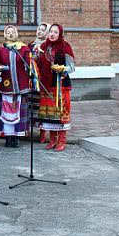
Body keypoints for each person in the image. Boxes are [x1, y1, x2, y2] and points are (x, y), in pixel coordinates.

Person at [36, 24, 75, 152]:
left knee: (61, 112)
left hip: (60, 84)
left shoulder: (65, 47)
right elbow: (38, 63)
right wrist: (34, 57)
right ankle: (52, 139)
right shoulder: (43, 46)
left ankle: (62, 140)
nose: (52, 34)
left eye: (55, 32)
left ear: (60, 34)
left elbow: (72, 67)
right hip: (47, 85)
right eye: (51, 31)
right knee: (50, 114)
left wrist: (62, 68)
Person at [0, 25, 32, 148]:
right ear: (5, 35)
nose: (10, 34)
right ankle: (7, 136)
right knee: (6, 111)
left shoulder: (23, 48)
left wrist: (29, 61)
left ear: (16, 34)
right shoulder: (1, 50)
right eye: (8, 32)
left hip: (20, 85)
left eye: (13, 32)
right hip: (6, 85)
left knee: (18, 111)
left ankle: (16, 136)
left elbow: (29, 64)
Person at [28, 22, 50, 143]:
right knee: (32, 105)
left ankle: (43, 133)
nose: (39, 32)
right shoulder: (31, 44)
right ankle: (29, 131)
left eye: (42, 30)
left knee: (42, 107)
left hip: (43, 80)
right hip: (32, 79)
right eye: (38, 29)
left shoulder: (47, 45)